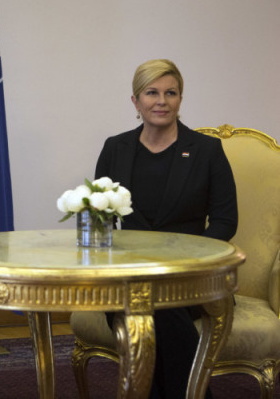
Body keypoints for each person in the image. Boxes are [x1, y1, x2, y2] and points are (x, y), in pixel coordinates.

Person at [96, 59, 238, 398]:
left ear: (180, 99)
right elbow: (100, 217)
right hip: (129, 276)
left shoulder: (207, 151)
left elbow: (225, 220)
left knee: (157, 305)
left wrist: (190, 260)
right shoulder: (115, 148)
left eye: (170, 93)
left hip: (190, 277)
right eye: (152, 93)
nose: (162, 101)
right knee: (147, 301)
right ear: (136, 101)